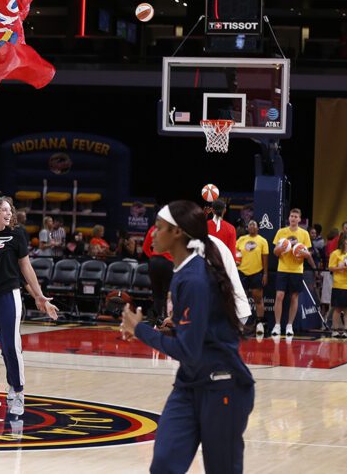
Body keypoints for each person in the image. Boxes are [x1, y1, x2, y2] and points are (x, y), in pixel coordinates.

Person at [121, 201, 254, 474]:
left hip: (222, 387)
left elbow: (188, 350)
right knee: (165, 465)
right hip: (189, 385)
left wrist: (140, 329)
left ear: (177, 233)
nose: (153, 234)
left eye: (159, 228)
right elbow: (198, 332)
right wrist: (175, 327)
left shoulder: (195, 278)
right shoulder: (184, 272)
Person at [0, 197, 59, 417]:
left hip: (8, 296)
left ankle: (17, 392)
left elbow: (26, 268)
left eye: (10, 210)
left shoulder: (17, 235)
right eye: (4, 210)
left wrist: (39, 295)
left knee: (10, 347)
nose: (8, 213)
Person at [271, 208, 314, 337]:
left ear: (299, 219)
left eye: (296, 216)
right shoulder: (281, 232)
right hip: (282, 269)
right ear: (288, 218)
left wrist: (304, 253)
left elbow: (308, 254)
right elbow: (275, 252)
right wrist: (281, 248)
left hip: (297, 269)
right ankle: (277, 325)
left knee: (294, 297)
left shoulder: (304, 234)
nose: (293, 218)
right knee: (279, 296)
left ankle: (290, 325)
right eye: (291, 216)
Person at [236, 219, 269, 335]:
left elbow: (265, 259)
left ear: (258, 228)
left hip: (256, 273)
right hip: (242, 273)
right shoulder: (241, 240)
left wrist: (265, 274)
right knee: (240, 299)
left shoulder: (262, 241)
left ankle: (260, 324)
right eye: (249, 224)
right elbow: (236, 254)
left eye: (254, 224)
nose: (251, 226)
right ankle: (240, 324)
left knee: (258, 299)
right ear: (247, 228)